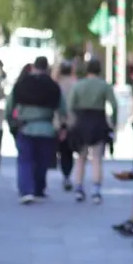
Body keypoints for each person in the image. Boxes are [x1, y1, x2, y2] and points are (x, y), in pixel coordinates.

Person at [5, 57, 66, 204]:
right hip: (47, 129)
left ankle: (26, 190)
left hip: (26, 127)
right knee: (42, 160)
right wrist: (63, 127)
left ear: (33, 67)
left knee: (25, 160)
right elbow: (63, 109)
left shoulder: (21, 84)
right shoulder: (53, 86)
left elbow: (9, 107)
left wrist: (12, 124)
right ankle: (39, 188)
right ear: (47, 68)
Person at [67, 58, 118, 204]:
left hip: (82, 121)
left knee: (81, 157)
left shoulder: (78, 85)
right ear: (99, 70)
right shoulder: (104, 86)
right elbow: (114, 105)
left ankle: (79, 187)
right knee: (97, 158)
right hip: (98, 121)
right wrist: (113, 123)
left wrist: (74, 121)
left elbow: (70, 105)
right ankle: (96, 189)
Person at [56, 61, 78, 191]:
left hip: (59, 122)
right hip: (73, 122)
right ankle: (69, 174)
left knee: (63, 151)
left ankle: (66, 175)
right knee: (70, 150)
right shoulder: (76, 85)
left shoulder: (56, 85)